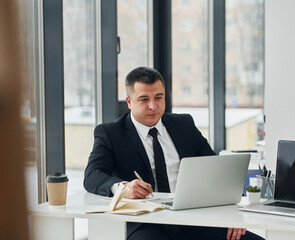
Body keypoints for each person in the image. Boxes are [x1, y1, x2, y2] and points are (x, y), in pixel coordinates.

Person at [84, 66, 264, 240]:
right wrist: (124, 188)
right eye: (144, 99)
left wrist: (232, 214)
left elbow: (216, 170)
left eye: (159, 97)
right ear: (129, 102)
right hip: (145, 223)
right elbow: (92, 175)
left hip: (193, 219)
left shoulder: (184, 124)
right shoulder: (110, 133)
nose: (153, 106)